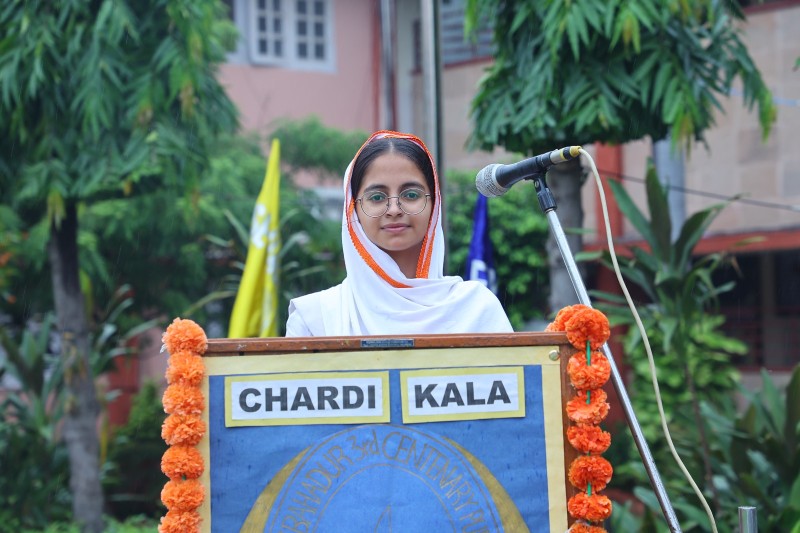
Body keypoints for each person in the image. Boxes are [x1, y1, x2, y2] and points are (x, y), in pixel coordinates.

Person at [285, 130, 513, 336]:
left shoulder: (476, 309)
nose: (394, 209)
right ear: (352, 210)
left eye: (411, 195)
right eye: (376, 197)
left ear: (435, 205)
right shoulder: (315, 319)